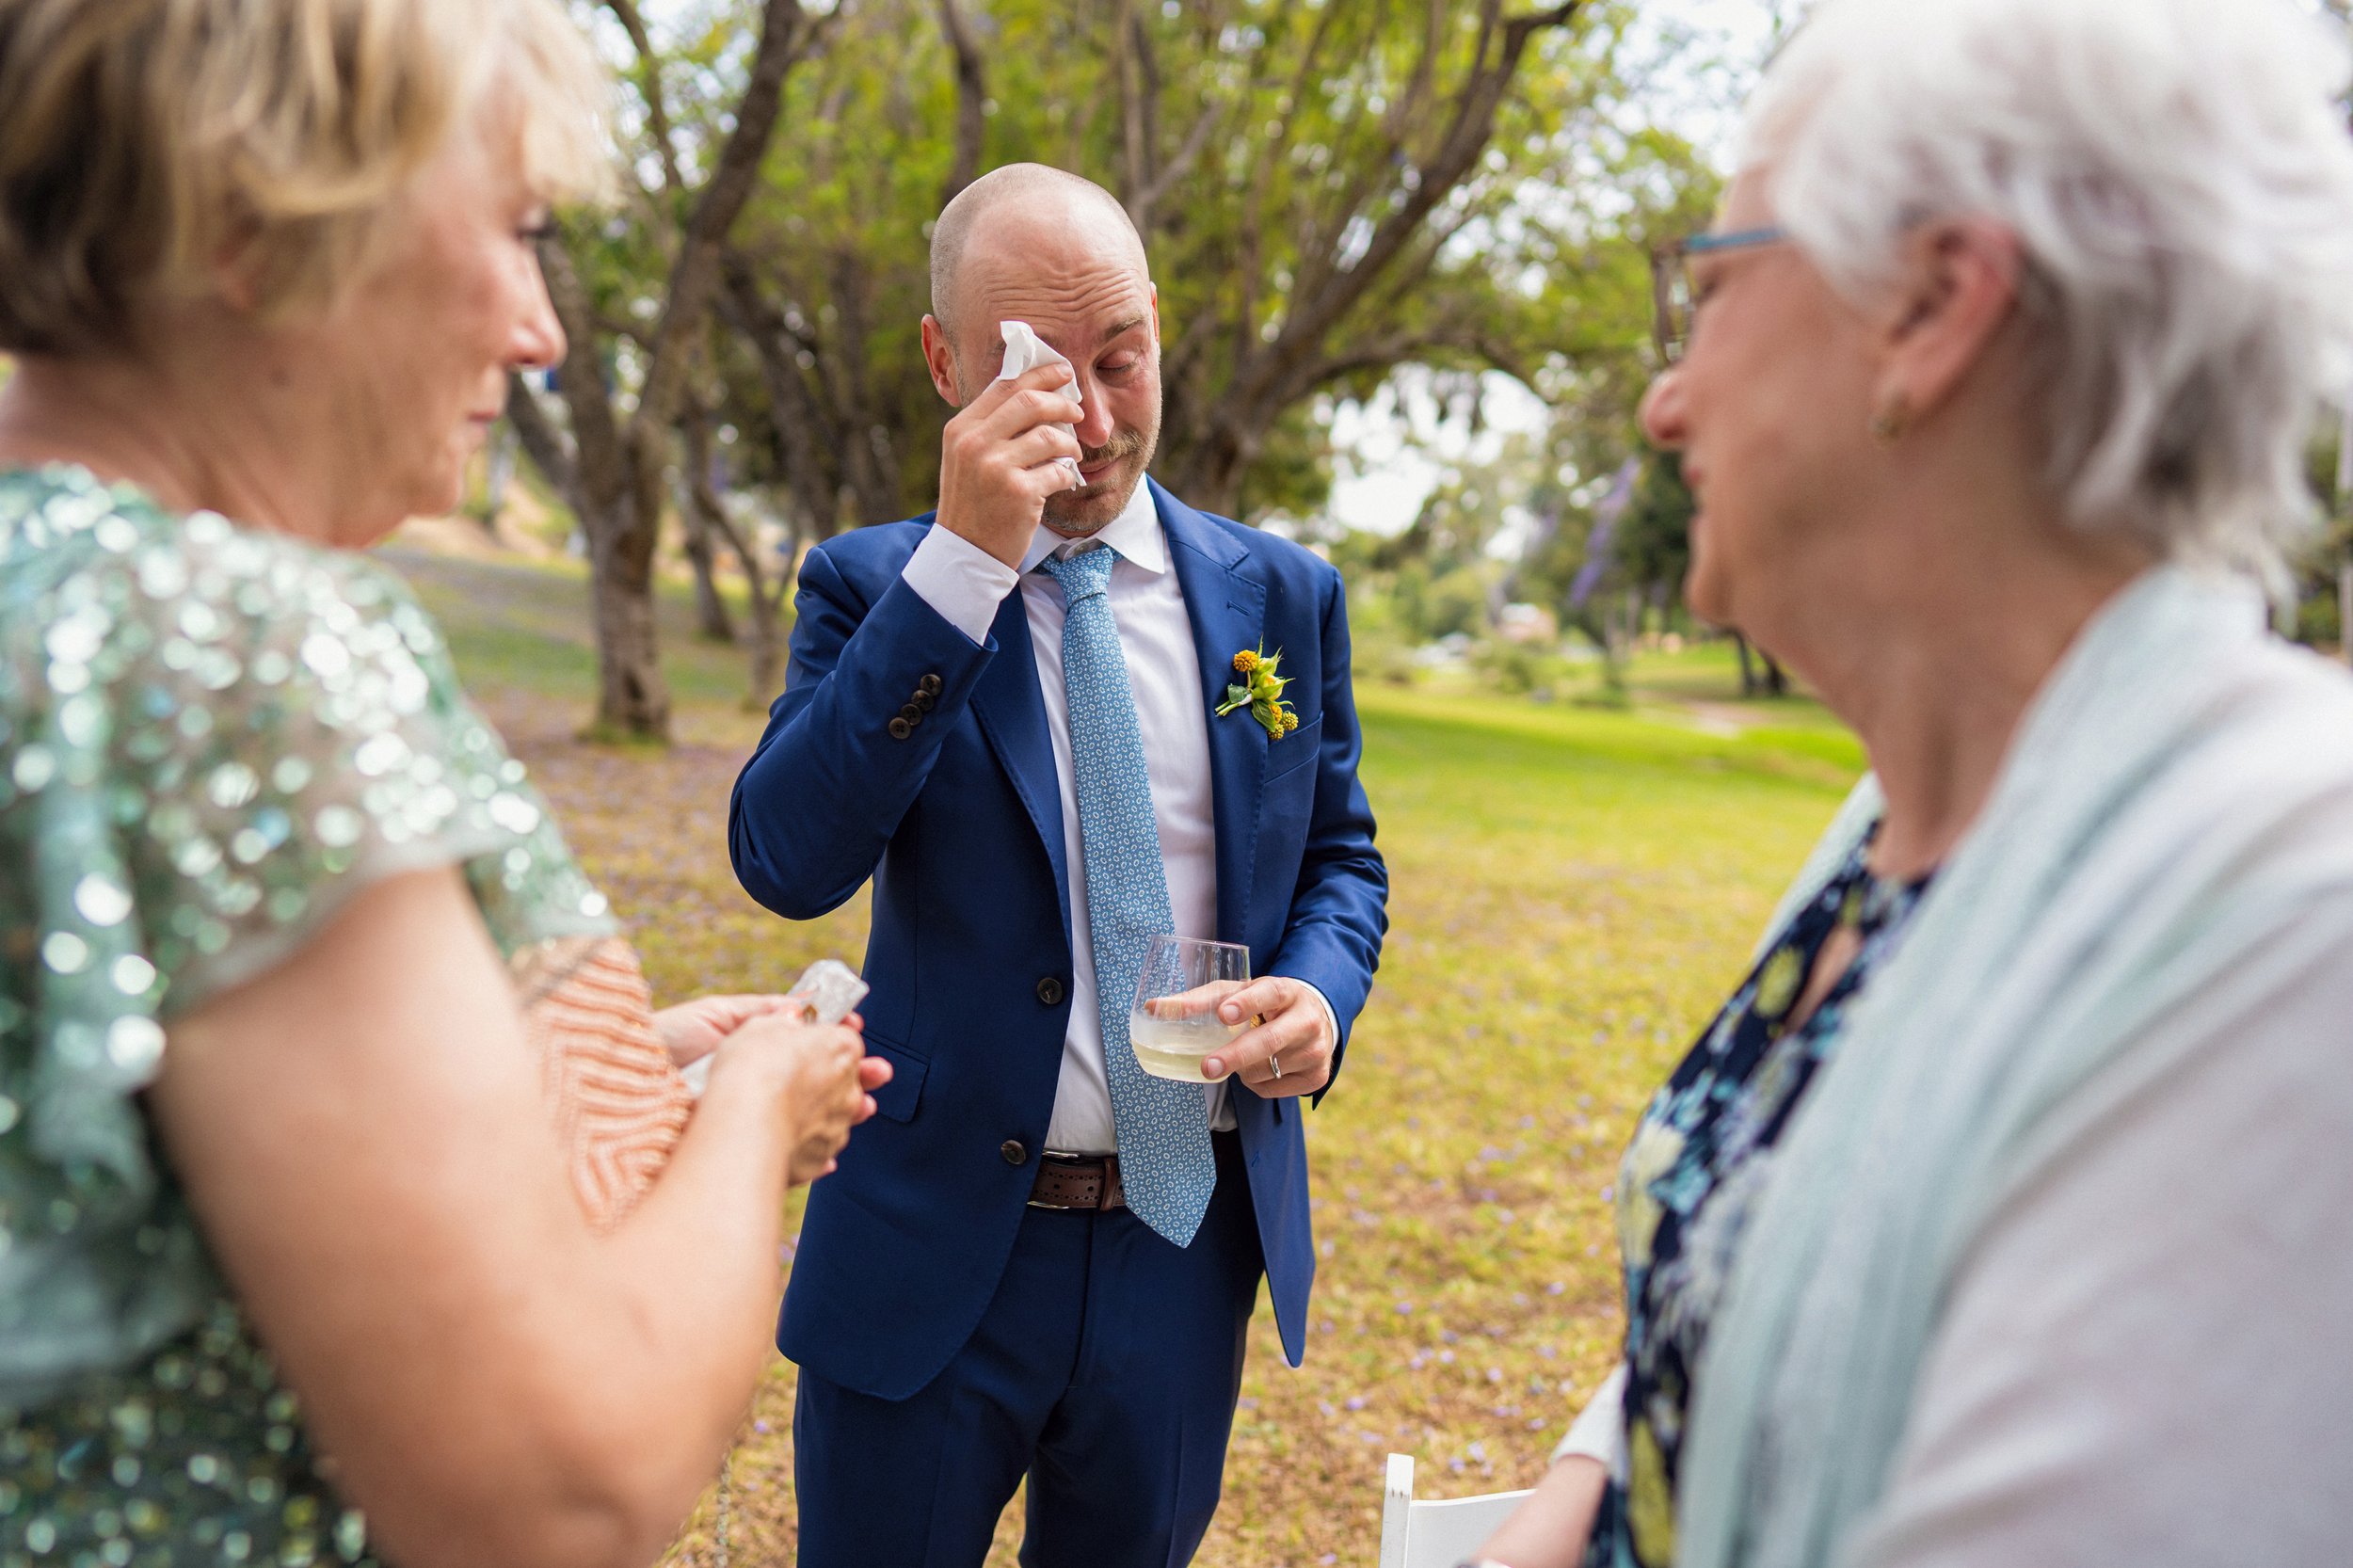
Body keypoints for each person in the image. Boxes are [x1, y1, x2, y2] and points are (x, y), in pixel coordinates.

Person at [1461, 2, 2353, 1566]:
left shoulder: (2290, 927)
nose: (1668, 400)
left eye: (1714, 288)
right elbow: (1764, 1255)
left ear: (1933, 304)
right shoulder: (1901, 826)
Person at [0, 3, 888, 1565]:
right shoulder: (231, 647)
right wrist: (755, 1111)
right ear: (254, 210)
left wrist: (588, 1067)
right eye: (515, 230)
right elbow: (559, 1487)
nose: (539, 327)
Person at [728, 163, 1388, 1567]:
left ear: (1159, 331)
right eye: (1037, 367)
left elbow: (1342, 858)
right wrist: (966, 566)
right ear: (945, 362)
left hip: (1179, 1242)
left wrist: (1319, 1002)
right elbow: (786, 855)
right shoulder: (872, 586)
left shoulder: (1282, 596)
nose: (1091, 420)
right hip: (927, 1253)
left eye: (1121, 358)